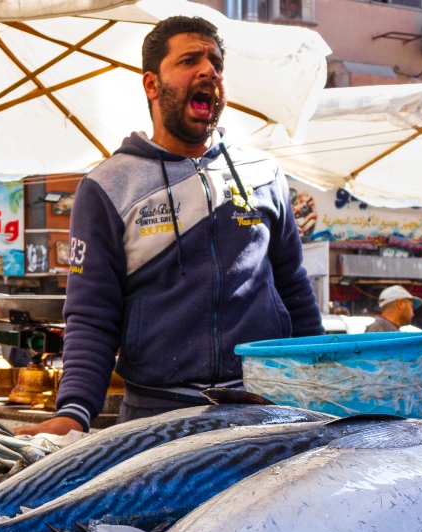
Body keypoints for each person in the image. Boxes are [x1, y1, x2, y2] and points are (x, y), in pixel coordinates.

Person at [18, 16, 322, 435]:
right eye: (189, 60)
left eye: (215, 62)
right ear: (151, 84)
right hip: (154, 417)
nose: (208, 71)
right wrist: (74, 411)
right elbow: (92, 314)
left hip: (264, 411)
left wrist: (323, 384)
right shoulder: (108, 185)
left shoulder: (264, 174)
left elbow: (294, 288)